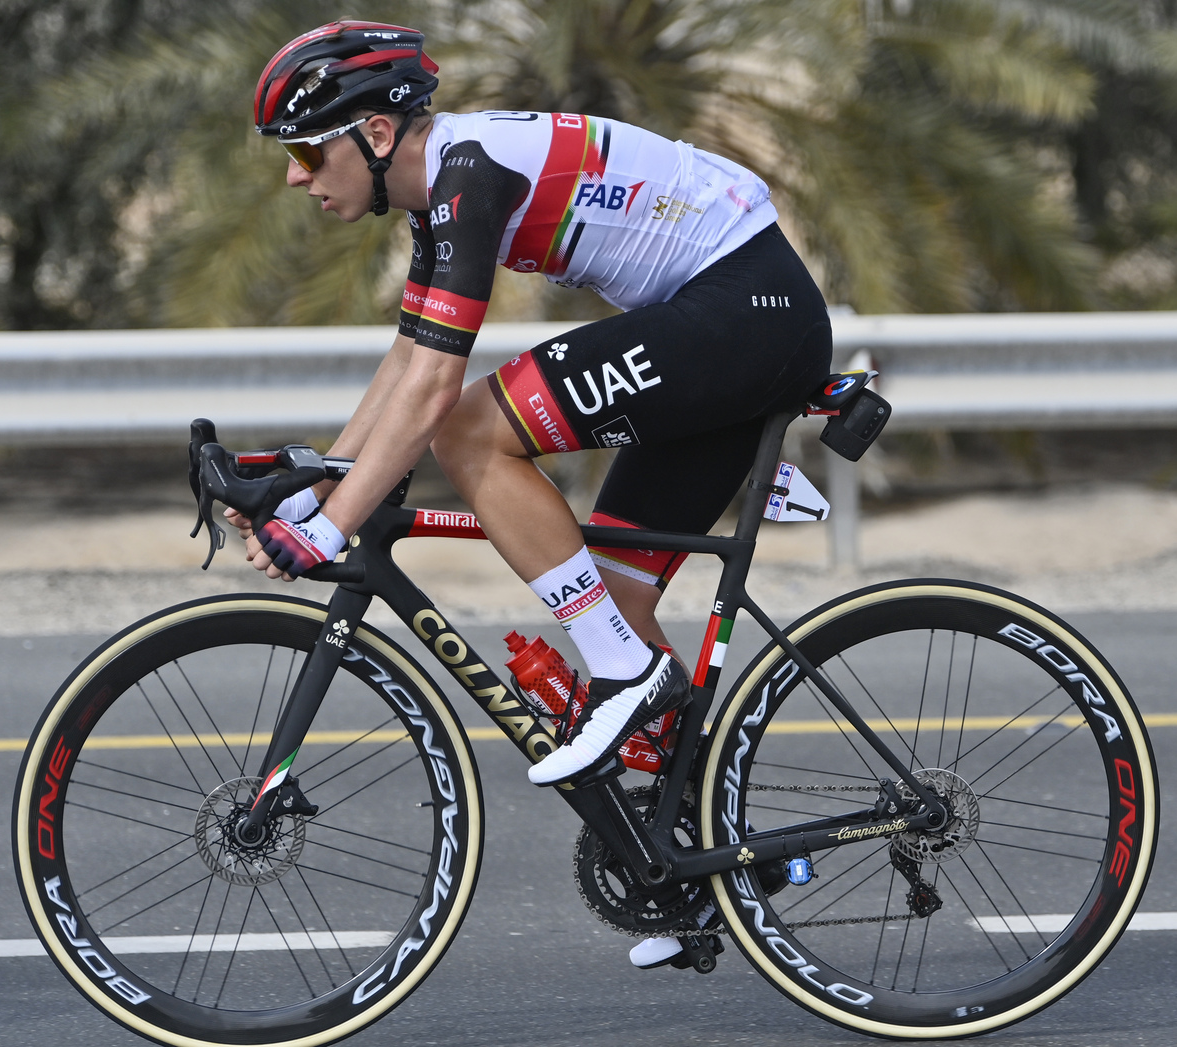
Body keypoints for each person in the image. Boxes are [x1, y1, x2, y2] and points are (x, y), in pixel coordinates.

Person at [241, 21, 832, 798]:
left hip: (750, 313)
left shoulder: (469, 177)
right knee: (616, 599)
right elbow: (408, 358)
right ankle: (687, 847)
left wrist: (329, 527)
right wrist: (321, 482)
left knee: (469, 432)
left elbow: (435, 391)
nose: (296, 176)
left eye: (307, 151)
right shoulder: (441, 188)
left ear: (377, 134)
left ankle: (628, 672)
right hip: (737, 320)